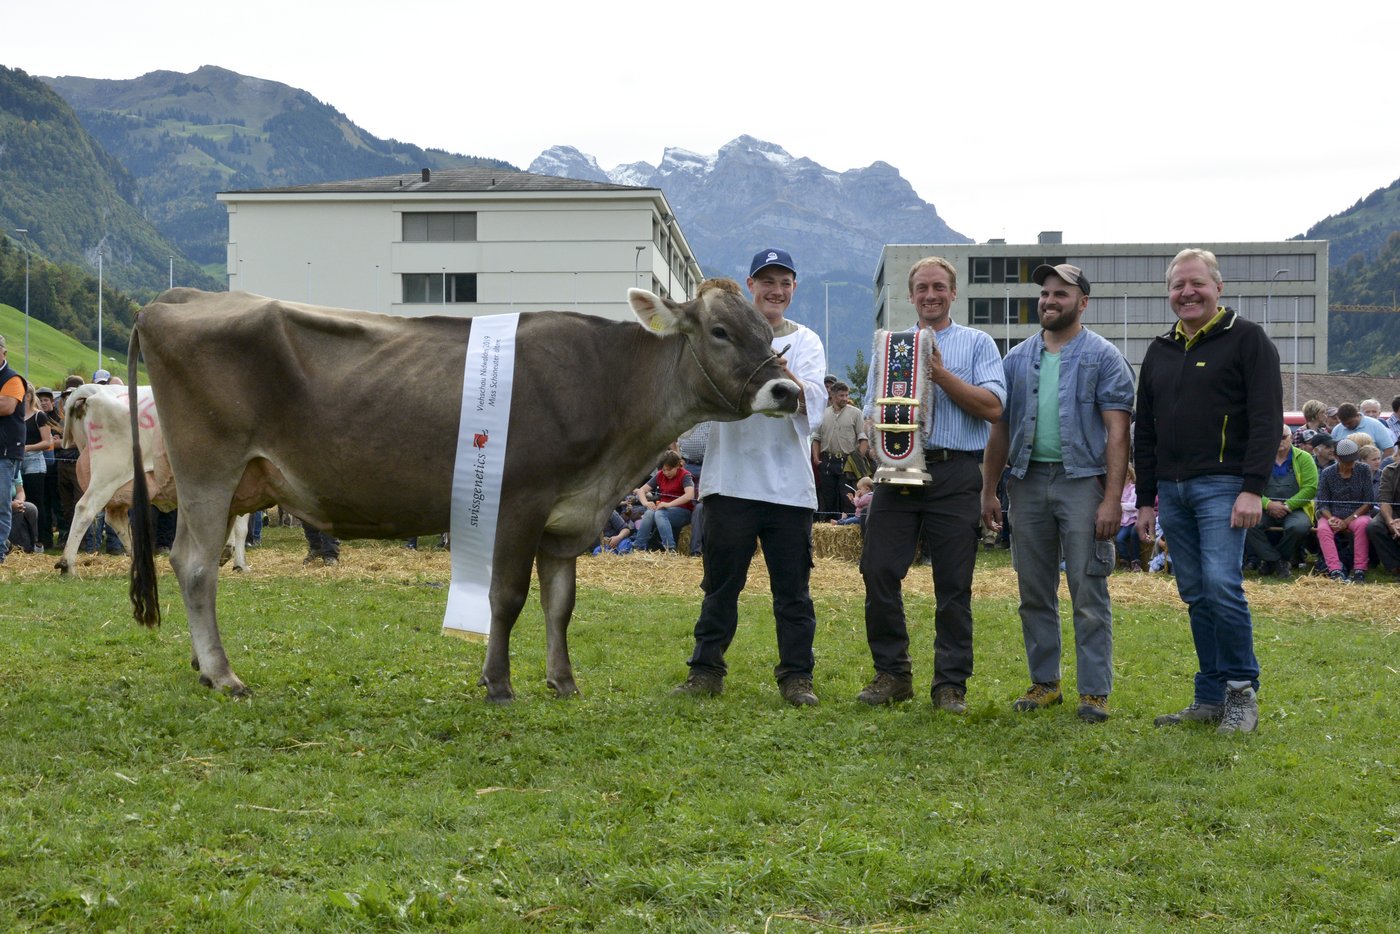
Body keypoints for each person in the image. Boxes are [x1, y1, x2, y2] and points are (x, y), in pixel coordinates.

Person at [1135, 248, 1282, 735]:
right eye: (1178, 285)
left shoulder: (1247, 340)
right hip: (1173, 493)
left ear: (1219, 287)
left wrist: (1252, 489)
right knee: (1195, 592)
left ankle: (1241, 694)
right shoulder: (1159, 349)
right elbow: (1146, 432)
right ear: (1169, 293)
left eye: (1196, 283)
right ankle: (1208, 696)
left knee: (1222, 585)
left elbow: (1265, 420)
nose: (1187, 292)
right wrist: (1148, 500)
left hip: (1224, 486)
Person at [671, 253, 826, 708]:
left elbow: (811, 403)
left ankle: (797, 677)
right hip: (730, 481)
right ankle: (706, 670)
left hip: (789, 486)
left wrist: (776, 370)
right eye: (766, 282)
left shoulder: (807, 340)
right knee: (720, 586)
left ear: (794, 287)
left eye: (784, 282)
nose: (775, 291)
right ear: (750, 285)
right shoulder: (724, 336)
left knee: (793, 591)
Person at [981, 263, 1134, 722]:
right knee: (1033, 590)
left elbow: (1117, 433)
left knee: (1088, 589)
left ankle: (1095, 692)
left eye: (1061, 295)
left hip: (1082, 484)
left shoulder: (1105, 357)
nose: (1049, 301)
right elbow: (1000, 430)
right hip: (1025, 483)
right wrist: (990, 490)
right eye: (1045, 294)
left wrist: (1111, 498)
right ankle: (1045, 683)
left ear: (1082, 302)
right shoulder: (1015, 359)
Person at [857, 256, 1005, 712]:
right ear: (911, 295)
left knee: (953, 582)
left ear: (953, 293)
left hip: (956, 470)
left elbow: (993, 406)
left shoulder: (978, 342)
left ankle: (949, 684)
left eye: (938, 287)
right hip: (897, 472)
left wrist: (937, 373)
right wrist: (874, 435)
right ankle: (893, 673)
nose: (930, 295)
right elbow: (870, 410)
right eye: (921, 288)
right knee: (877, 568)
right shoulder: (892, 345)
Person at [1244, 425, 1317, 579]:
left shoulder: (1304, 458)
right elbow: (1250, 484)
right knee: (1249, 524)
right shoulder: (1260, 459)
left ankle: (1272, 561)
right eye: (1275, 436)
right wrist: (1268, 504)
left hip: (1296, 508)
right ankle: (1277, 561)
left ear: (1290, 438)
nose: (1279, 440)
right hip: (1265, 508)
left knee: (1298, 527)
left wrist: (1288, 505)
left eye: (1283, 437)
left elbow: (1310, 488)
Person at [1314, 438, 1374, 583]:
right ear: (1337, 457)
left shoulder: (1363, 469)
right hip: (1333, 514)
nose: (1350, 464)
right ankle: (1335, 569)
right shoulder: (1327, 473)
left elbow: (1369, 502)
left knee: (1362, 525)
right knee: (1322, 528)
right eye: (1347, 461)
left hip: (1357, 513)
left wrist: (1347, 521)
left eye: (1353, 460)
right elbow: (1323, 503)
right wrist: (1331, 519)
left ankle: (1360, 569)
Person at [813, 380, 862, 519]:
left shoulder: (856, 413)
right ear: (833, 396)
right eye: (841, 395)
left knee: (847, 497)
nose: (845, 398)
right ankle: (831, 527)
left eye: (847, 395)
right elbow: (816, 439)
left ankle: (849, 525)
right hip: (827, 461)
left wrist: (857, 460)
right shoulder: (823, 413)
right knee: (828, 499)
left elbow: (862, 439)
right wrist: (816, 459)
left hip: (847, 461)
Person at [633, 451, 695, 552]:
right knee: (649, 513)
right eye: (664, 469)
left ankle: (670, 549)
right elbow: (641, 490)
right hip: (663, 509)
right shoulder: (660, 475)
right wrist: (645, 503)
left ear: (678, 465)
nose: (666, 473)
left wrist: (669, 504)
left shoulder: (685, 475)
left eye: (669, 469)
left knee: (659, 514)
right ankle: (638, 547)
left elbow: (690, 495)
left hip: (683, 512)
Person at [0, 334, 27, 561]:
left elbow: (6, 406)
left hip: (6, 452)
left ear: (4, 352)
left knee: (1, 504)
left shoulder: (13, 378)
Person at [20, 385, 53, 553]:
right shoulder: (15, 415)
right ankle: (25, 540)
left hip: (34, 462)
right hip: (17, 462)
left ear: (28, 396)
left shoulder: (39, 416)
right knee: (21, 502)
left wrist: (28, 447)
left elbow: (48, 442)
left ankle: (41, 540)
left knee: (37, 502)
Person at [677, 421, 709, 557]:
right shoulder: (687, 413)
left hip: (707, 465)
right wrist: (676, 454)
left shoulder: (714, 417)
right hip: (687, 464)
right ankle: (668, 548)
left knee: (700, 507)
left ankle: (696, 550)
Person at [1365, 455, 1400, 576]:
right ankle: (1394, 565)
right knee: (1374, 527)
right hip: (1394, 510)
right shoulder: (1390, 470)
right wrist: (1390, 521)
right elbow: (1384, 500)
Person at [1330, 402, 1396, 457]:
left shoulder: (1375, 425)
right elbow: (1333, 453)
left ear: (1357, 415)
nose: (1347, 426)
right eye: (1344, 424)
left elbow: (1389, 450)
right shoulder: (1337, 430)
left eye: (1350, 423)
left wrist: (1378, 467)